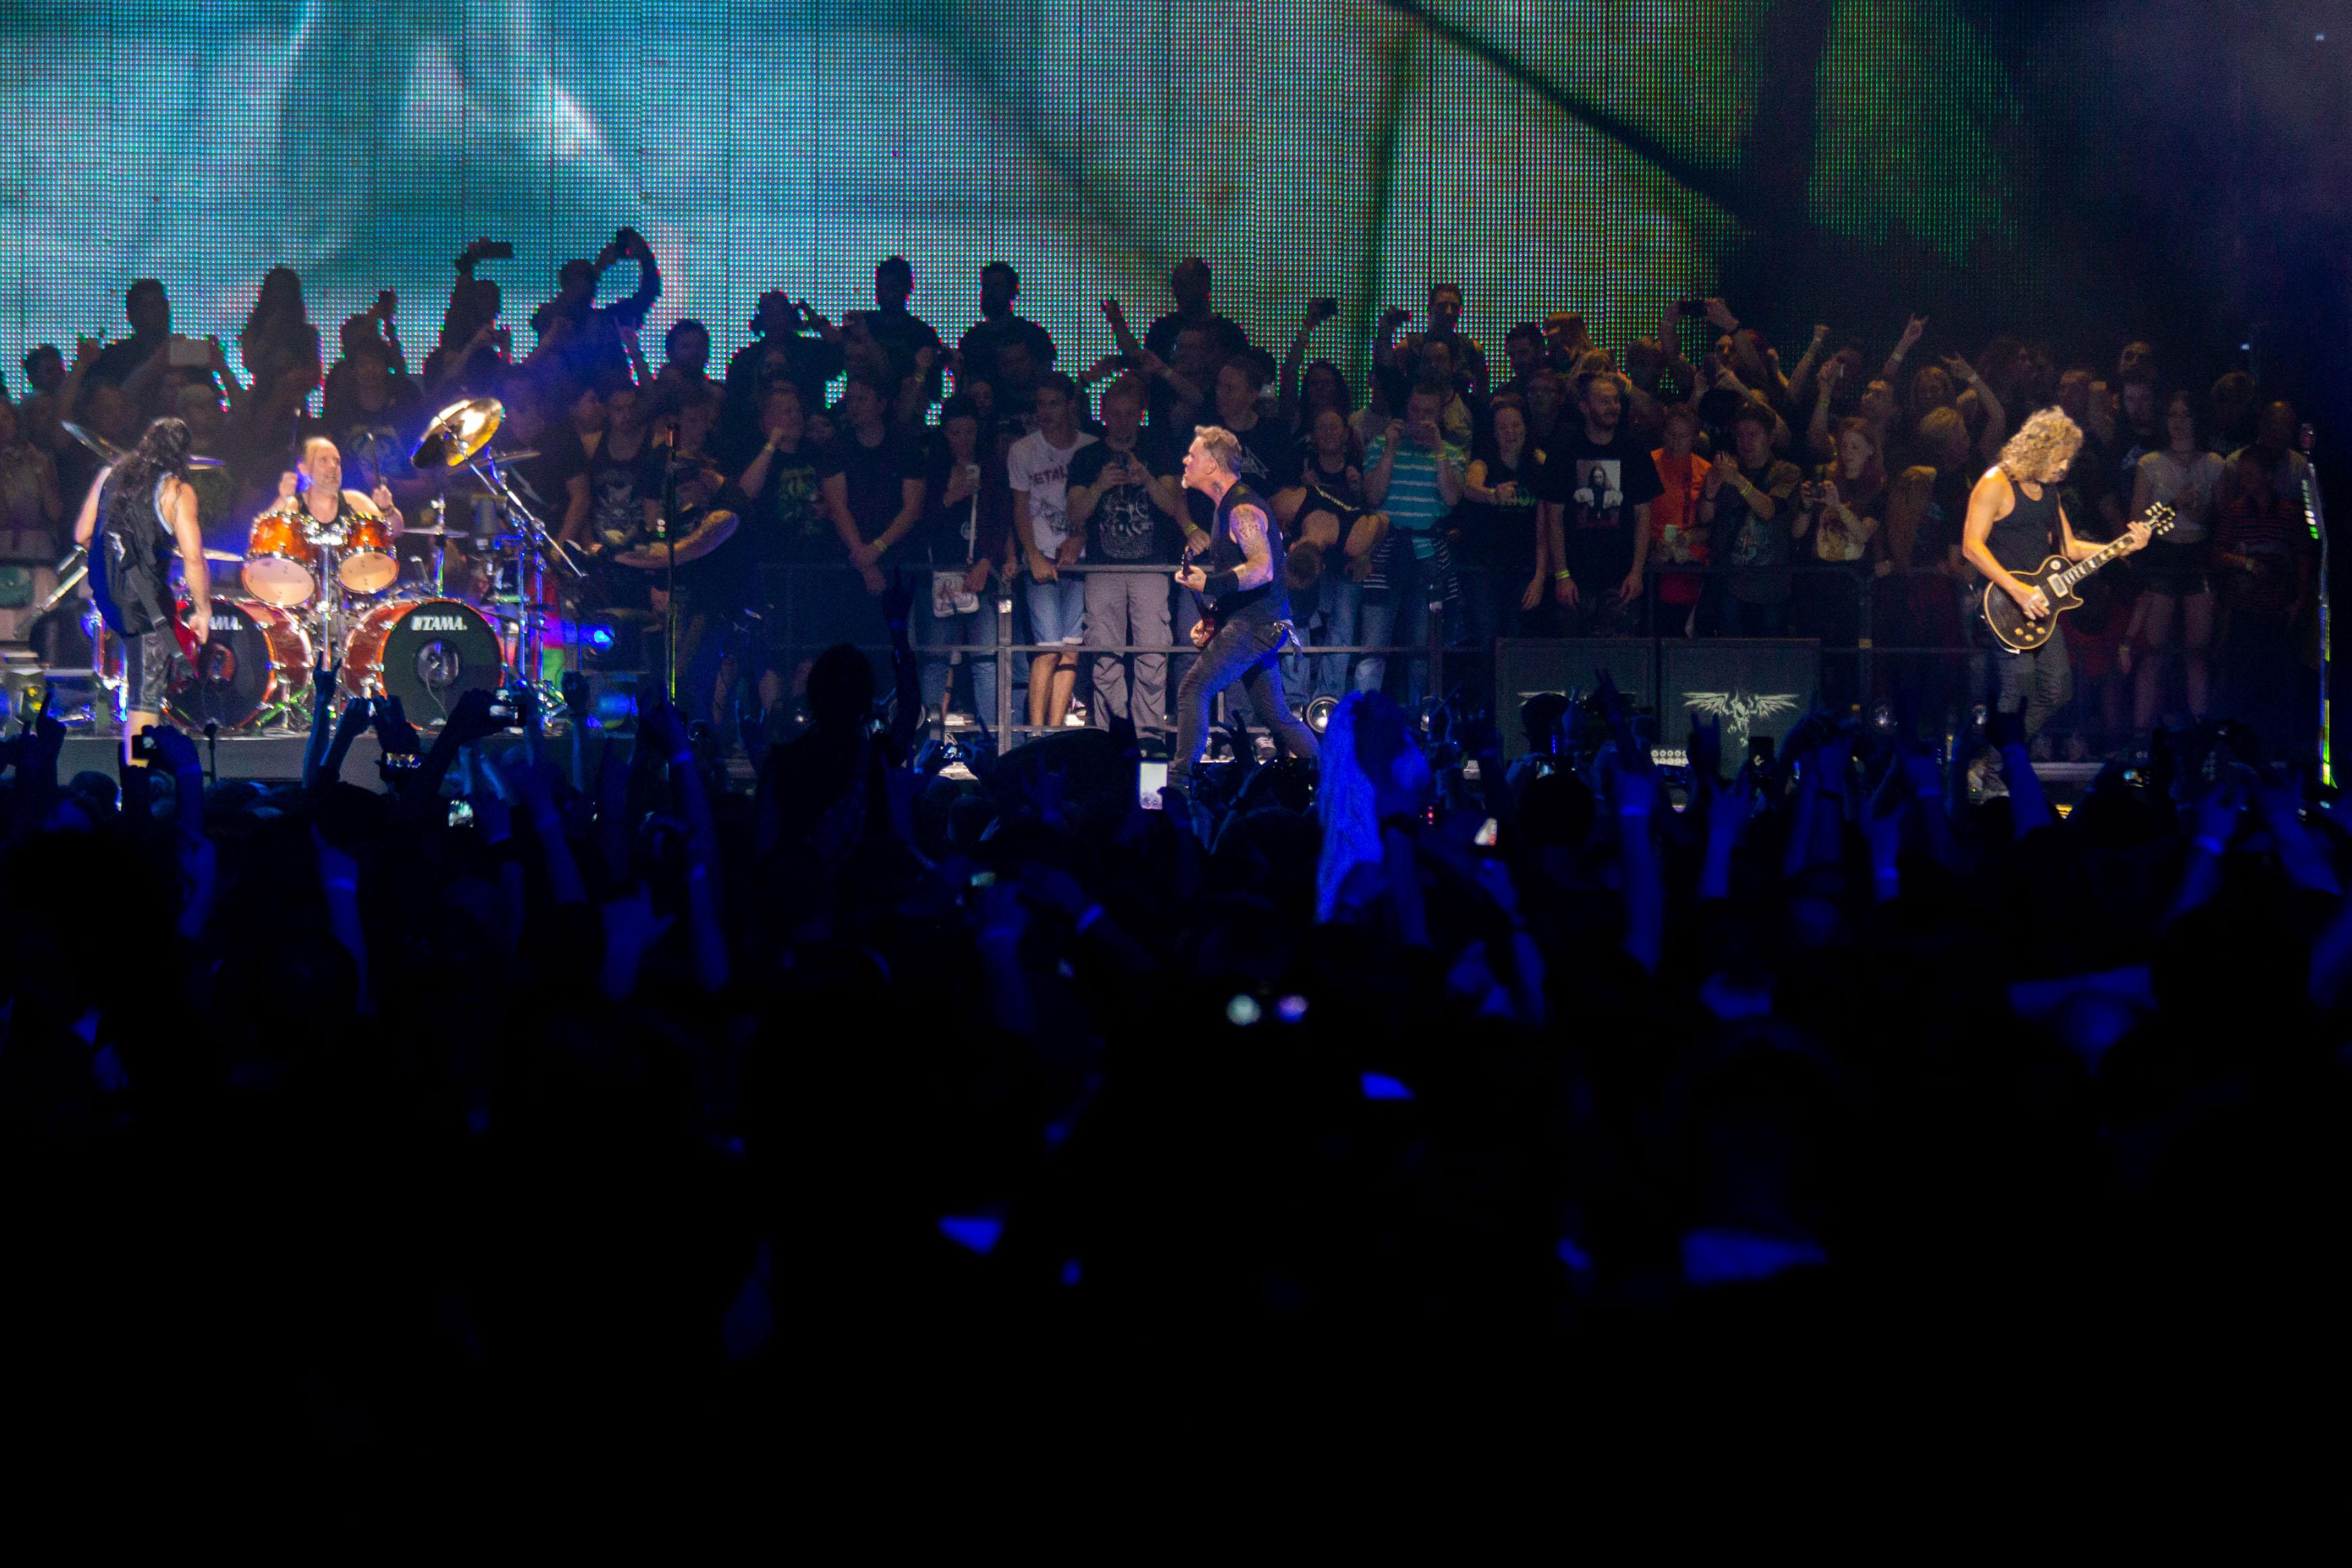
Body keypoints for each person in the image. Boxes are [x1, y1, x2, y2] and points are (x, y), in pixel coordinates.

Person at [1961, 408, 2151, 741]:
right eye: (2059, 459)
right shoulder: (1996, 483)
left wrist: (2123, 548)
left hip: (2042, 603)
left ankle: (2001, 752)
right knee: (2019, 686)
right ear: (2037, 449)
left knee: (2058, 688)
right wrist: (2017, 590)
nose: (2065, 467)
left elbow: (2070, 549)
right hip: (2002, 601)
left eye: (2068, 460)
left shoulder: (2051, 492)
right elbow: (1971, 547)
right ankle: (1998, 765)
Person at [1169, 426, 1319, 798]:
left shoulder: (1242, 509)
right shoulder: (1225, 507)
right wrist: (1214, 619)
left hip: (1257, 626)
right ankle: (1330, 777)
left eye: (1193, 455)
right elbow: (1247, 582)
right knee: (1276, 715)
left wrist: (1209, 583)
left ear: (1212, 465)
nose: (1185, 460)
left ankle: (1179, 787)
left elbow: (1262, 569)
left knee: (1193, 690)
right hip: (1258, 623)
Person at [70, 418, 210, 755]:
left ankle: (138, 761)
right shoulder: (176, 490)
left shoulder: (110, 475)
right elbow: (194, 558)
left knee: (139, 685)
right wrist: (203, 610)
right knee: (145, 702)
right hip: (145, 605)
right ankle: (139, 771)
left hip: (107, 596)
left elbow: (82, 534)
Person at [1069, 376, 1182, 735]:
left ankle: (1148, 736)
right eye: (1115, 414)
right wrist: (1100, 485)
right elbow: (1075, 514)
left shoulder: (1158, 451)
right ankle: (1111, 737)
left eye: (1129, 414)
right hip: (1103, 569)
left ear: (1140, 414)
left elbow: (1173, 506)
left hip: (1151, 569)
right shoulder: (1087, 458)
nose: (1121, 422)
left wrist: (1147, 479)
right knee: (1105, 656)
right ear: (1104, 414)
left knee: (1153, 653)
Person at [1362, 383, 1466, 706]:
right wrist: (1391, 449)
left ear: (1439, 415)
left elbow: (1452, 497)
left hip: (1428, 557)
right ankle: (1362, 722)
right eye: (1415, 411)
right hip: (1384, 552)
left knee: (1422, 652)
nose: (1420, 419)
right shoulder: (1381, 445)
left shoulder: (1452, 453)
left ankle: (1421, 721)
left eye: (1428, 412)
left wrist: (1439, 450)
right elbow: (1373, 496)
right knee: (1373, 650)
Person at [912, 395, 1009, 738]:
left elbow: (1001, 520)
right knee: (936, 660)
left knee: (985, 660)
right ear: (945, 433)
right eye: (955, 432)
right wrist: (949, 498)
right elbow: (920, 526)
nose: (963, 439)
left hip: (980, 574)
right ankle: (931, 737)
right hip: (939, 574)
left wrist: (986, 561)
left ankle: (991, 739)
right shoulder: (933, 471)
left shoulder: (992, 469)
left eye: (969, 432)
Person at [1538, 370, 1661, 637]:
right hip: (1575, 575)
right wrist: (1561, 574)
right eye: (1604, 401)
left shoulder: (1635, 450)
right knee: (1572, 654)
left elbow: (1643, 515)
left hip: (1620, 577)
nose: (1613, 407)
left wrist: (1637, 572)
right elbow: (1553, 517)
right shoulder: (1563, 450)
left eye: (1616, 400)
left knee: (1618, 655)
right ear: (1584, 407)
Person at [2129, 388, 2225, 732]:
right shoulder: (2150, 464)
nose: (2179, 422)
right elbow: (2136, 522)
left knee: (2197, 653)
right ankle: (2142, 737)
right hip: (2163, 557)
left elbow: (2222, 519)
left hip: (2198, 557)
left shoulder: (2215, 464)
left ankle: (2200, 736)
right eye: (2173, 414)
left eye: (2185, 414)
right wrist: (2174, 507)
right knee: (2153, 651)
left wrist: (2201, 513)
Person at [1007, 374, 1097, 732]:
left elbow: (1096, 506)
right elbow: (1019, 508)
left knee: (1071, 649)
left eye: (1054, 404)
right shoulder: (1023, 450)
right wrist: (1032, 555)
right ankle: (1036, 734)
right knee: (1048, 648)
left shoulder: (1090, 446)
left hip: (1081, 560)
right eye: (1040, 404)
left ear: (1070, 405)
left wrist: (1079, 537)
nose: (1045, 412)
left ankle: (1055, 731)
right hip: (1042, 558)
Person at [528, 226, 662, 389]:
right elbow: (574, 295)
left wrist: (645, 256)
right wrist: (598, 268)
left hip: (616, 399)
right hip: (570, 398)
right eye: (584, 277)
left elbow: (648, 293)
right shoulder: (550, 317)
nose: (588, 284)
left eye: (589, 278)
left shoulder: (610, 319)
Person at [957, 262, 1057, 394]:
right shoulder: (972, 339)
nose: (989, 293)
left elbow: (1047, 383)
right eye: (986, 287)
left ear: (1012, 292)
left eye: (996, 287)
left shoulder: (1033, 335)